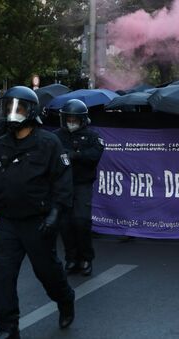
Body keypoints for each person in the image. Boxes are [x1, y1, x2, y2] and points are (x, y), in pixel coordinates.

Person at [0, 86, 75, 339]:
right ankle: (7, 327)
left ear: (31, 112)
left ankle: (65, 299)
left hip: (38, 222)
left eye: (18, 109)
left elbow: (62, 183)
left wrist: (56, 213)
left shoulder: (49, 142)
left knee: (47, 273)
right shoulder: (0, 145)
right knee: (1, 276)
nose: (12, 114)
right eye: (8, 108)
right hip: (8, 222)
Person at [54, 99, 104, 276]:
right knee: (65, 224)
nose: (71, 122)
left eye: (75, 119)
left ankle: (86, 258)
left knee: (81, 221)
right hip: (63, 185)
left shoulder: (92, 136)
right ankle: (71, 258)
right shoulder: (57, 136)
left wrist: (76, 155)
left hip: (82, 184)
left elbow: (96, 154)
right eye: (69, 118)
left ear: (82, 120)